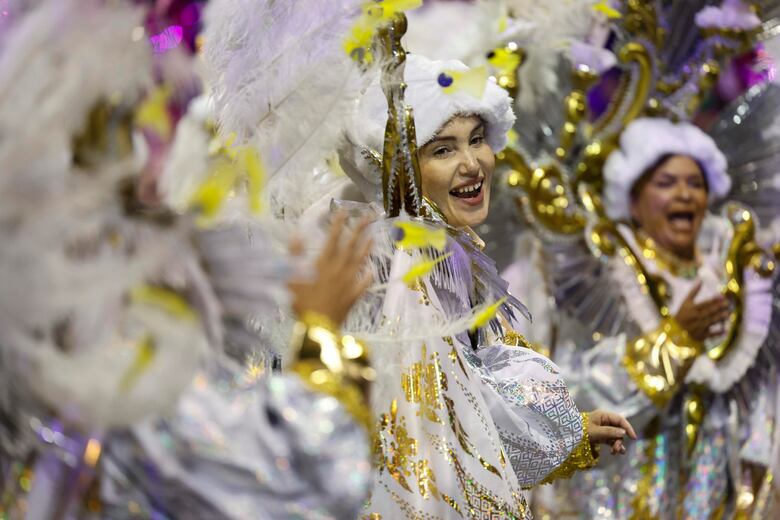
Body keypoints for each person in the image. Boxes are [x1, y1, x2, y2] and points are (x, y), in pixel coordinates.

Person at [329, 52, 636, 518]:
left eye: (477, 140)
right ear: (401, 172)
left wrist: (573, 428)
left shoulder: (446, 253)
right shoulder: (394, 267)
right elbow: (432, 430)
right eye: (443, 149)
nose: (473, 164)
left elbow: (465, 409)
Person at [506, 117, 779, 518]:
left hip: (713, 487)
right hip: (618, 488)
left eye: (696, 183)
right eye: (666, 183)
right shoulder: (601, 275)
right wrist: (674, 342)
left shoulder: (730, 273)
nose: (685, 194)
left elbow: (759, 396)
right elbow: (574, 391)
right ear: (633, 202)